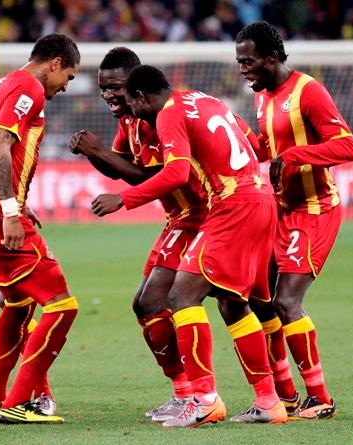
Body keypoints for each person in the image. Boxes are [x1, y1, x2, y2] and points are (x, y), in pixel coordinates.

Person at [92, 65, 287, 428]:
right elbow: (256, 146)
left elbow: (175, 173)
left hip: (233, 205)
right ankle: (268, 400)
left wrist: (125, 199)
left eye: (134, 105)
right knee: (232, 304)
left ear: (141, 97)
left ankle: (203, 398)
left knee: (182, 294)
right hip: (260, 199)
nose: (135, 115)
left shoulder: (168, 113)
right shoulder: (204, 99)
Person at [68, 47, 206, 422]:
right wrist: (93, 153)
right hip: (178, 219)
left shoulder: (157, 117)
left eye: (116, 88)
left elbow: (156, 178)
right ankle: (187, 394)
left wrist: (100, 155)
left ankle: (203, 396)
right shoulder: (129, 120)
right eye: (103, 89)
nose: (109, 95)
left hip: (201, 216)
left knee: (160, 302)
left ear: (135, 84)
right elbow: (121, 167)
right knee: (145, 305)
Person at [235, 21, 353, 420]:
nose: (242, 69)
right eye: (239, 62)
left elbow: (347, 145)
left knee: (287, 300)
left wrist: (292, 158)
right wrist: (240, 139)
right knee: (259, 298)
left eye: (248, 61)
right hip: (280, 210)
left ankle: (320, 397)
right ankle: (284, 395)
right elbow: (269, 149)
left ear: (272, 58)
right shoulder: (262, 98)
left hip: (315, 208)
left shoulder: (309, 91)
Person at [0, 33, 80, 425]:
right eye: (69, 77)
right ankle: (20, 402)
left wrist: (18, 201)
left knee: (18, 304)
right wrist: (10, 210)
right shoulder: (30, 87)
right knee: (61, 304)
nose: (66, 86)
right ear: (55, 63)